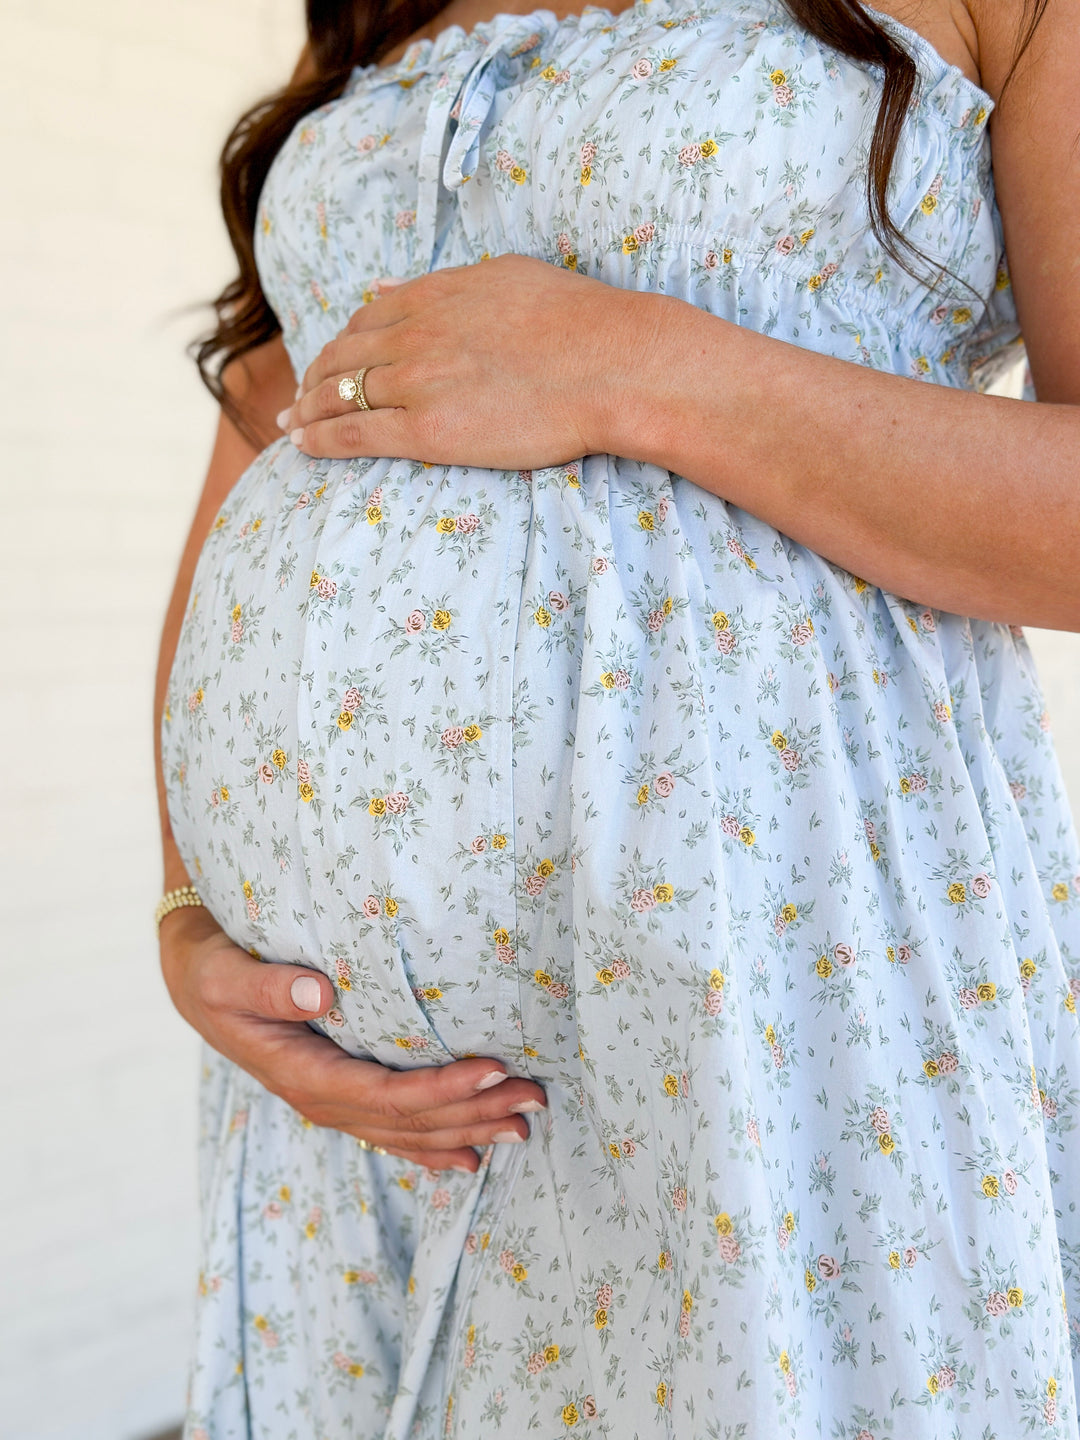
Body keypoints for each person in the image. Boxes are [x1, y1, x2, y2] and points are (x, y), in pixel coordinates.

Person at [155, 0, 1080, 1433]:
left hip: (757, 1010)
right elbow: (274, 433)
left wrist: (639, 370)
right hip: (351, 1114)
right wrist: (187, 916)